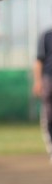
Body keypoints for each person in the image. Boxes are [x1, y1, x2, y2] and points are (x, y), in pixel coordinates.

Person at [32, 26, 52, 161]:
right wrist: (38, 81)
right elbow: (39, 60)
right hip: (49, 80)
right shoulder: (46, 35)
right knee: (49, 116)